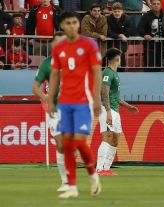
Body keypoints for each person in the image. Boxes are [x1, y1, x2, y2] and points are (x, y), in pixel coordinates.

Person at [47, 11, 102, 199]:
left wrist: (96, 99)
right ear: (62, 26)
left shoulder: (89, 45)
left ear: (78, 25)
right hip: (64, 102)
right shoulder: (58, 48)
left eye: (74, 22)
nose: (71, 26)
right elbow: (54, 75)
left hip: (83, 101)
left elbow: (97, 72)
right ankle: (72, 186)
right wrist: (50, 98)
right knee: (67, 144)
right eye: (67, 23)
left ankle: (92, 174)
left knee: (78, 141)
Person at [31, 31, 68, 192]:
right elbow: (35, 88)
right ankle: (65, 181)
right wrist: (44, 96)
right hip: (54, 109)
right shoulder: (46, 64)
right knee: (60, 144)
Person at [96, 48, 139, 176]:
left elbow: (114, 96)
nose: (121, 60)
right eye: (120, 57)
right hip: (107, 110)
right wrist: (108, 111)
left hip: (115, 110)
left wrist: (128, 106)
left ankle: (107, 168)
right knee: (108, 137)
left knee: (115, 140)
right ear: (116, 59)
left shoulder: (115, 74)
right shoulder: (107, 73)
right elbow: (104, 93)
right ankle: (99, 169)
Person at [138, 0, 164, 70]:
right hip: (149, 46)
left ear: (161, 5)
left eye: (158, 4)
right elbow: (139, 28)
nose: (156, 5)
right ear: (151, 5)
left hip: (161, 46)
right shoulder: (146, 16)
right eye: (154, 4)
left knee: (159, 68)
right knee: (149, 67)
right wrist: (144, 35)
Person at [106, 2, 132, 68]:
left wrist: (122, 36)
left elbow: (128, 32)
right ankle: (107, 69)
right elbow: (108, 32)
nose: (117, 13)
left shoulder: (127, 19)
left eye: (119, 11)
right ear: (112, 11)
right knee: (108, 55)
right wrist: (119, 35)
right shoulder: (108, 18)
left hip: (122, 42)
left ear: (122, 11)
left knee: (121, 54)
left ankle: (122, 70)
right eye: (115, 11)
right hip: (110, 40)